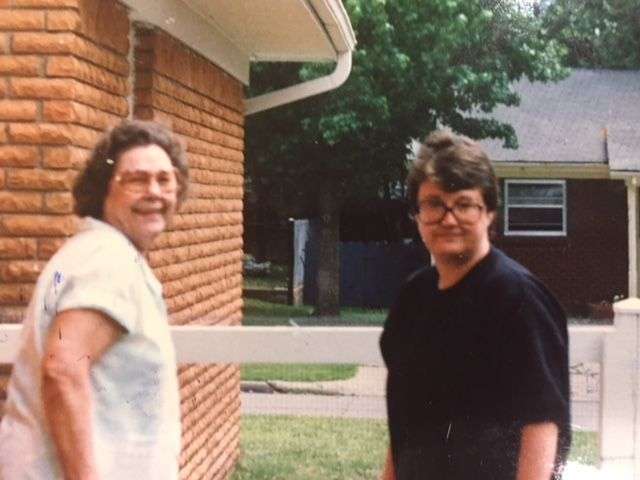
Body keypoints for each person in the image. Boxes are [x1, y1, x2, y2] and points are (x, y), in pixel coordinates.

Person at [0, 120, 189, 479]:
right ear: (103, 189)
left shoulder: (96, 252)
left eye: (165, 180)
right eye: (136, 180)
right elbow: (63, 369)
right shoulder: (108, 262)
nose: (154, 192)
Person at [379, 129, 570, 480]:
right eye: (434, 204)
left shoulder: (518, 299)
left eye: (464, 204)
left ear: (489, 212)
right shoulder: (412, 300)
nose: (448, 218)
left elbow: (542, 424)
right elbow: (403, 429)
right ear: (417, 214)